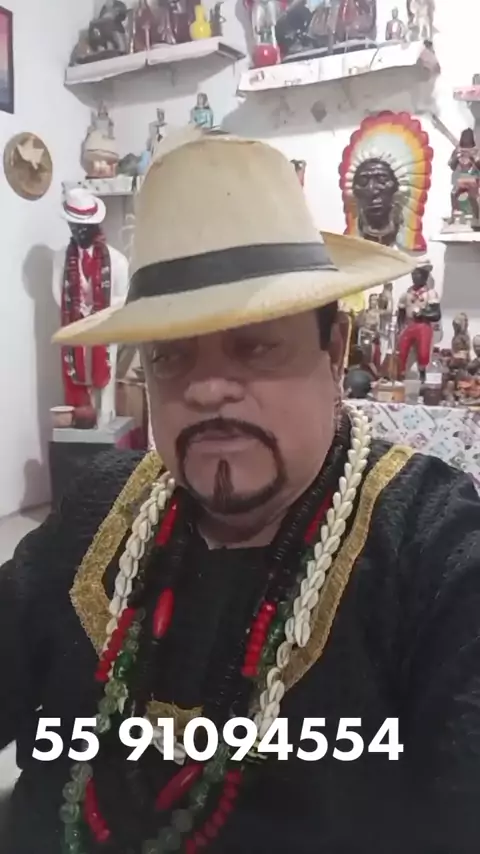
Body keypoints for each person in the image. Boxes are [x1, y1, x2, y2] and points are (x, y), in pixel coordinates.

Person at [2, 129, 480, 854]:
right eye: (171, 356)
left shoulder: (435, 550)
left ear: (334, 352)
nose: (207, 388)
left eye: (255, 345)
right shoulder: (99, 510)